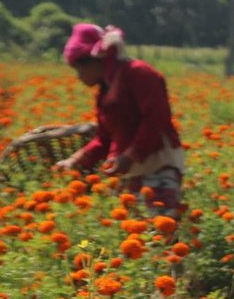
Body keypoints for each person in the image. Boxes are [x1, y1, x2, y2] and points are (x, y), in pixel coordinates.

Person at [55, 24, 186, 213]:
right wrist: (74, 160)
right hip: (130, 168)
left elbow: (156, 121)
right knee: (133, 230)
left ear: (95, 61)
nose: (79, 76)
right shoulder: (105, 90)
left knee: (158, 229)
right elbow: (104, 138)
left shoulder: (140, 74)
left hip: (157, 163)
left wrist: (129, 156)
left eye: (79, 69)